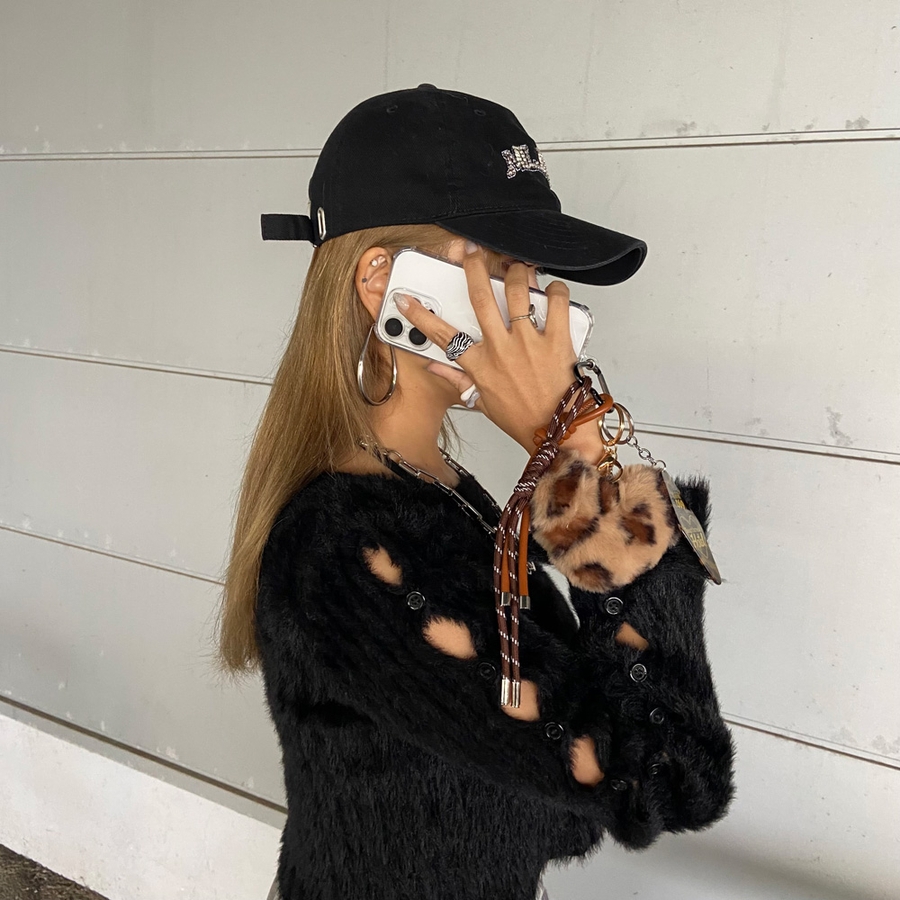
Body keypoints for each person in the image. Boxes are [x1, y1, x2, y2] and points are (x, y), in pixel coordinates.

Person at [218, 84, 735, 900]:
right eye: (501, 267)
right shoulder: (349, 549)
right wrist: (575, 456)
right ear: (384, 282)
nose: (533, 303)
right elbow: (667, 777)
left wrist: (576, 464)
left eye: (533, 271)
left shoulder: (432, 488)